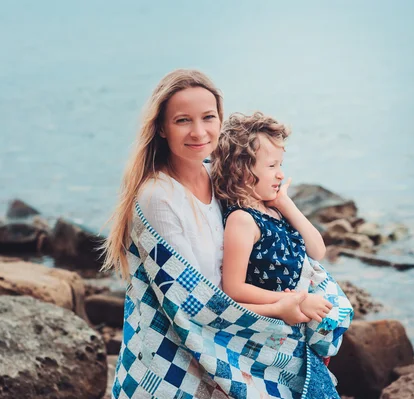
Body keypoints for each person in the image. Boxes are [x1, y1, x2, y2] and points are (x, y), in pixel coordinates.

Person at [102, 69, 341, 399]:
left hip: (229, 347)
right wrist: (284, 305)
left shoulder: (218, 181)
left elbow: (271, 251)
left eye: (208, 117)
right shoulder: (158, 197)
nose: (199, 131)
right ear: (161, 128)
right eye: (183, 120)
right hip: (177, 361)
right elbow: (194, 301)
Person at [212, 111, 342, 397]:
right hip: (270, 332)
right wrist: (294, 300)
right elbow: (233, 288)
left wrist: (285, 203)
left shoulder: (273, 209)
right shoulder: (242, 220)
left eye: (281, 164)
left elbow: (317, 250)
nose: (281, 174)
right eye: (272, 166)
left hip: (294, 325)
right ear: (243, 171)